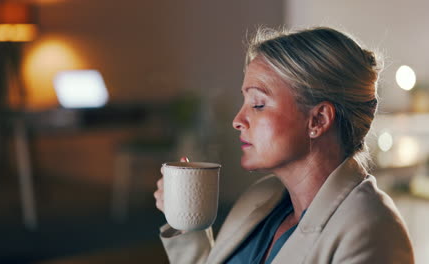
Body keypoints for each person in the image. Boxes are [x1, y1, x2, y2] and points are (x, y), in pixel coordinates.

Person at [153, 26, 414, 264]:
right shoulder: (259, 199)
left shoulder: (372, 231)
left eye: (257, 104)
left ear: (318, 119)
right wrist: (187, 220)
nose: (237, 120)